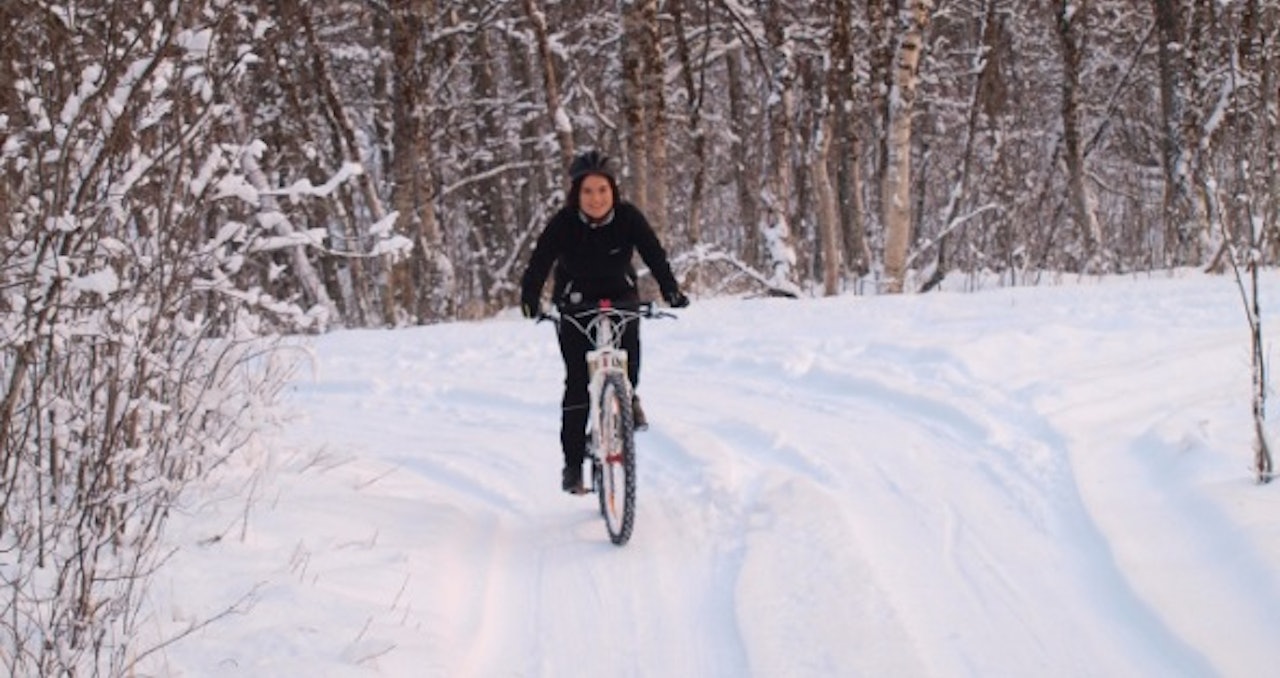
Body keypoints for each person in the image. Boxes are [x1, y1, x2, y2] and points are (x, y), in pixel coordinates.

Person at [520, 149, 689, 494]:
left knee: (628, 359)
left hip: (619, 296)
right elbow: (539, 262)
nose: (596, 199)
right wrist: (530, 299)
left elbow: (653, 253)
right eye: (587, 192)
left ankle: (628, 396)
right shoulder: (564, 223)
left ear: (613, 191)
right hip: (574, 304)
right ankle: (572, 466)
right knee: (578, 382)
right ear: (576, 194)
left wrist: (671, 290)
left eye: (602, 190)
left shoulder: (628, 218)